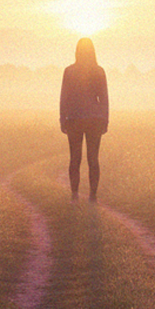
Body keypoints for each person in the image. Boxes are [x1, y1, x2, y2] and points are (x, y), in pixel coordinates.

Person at [60, 37, 108, 202]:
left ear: (77, 51)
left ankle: (74, 195)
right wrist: (105, 119)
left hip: (74, 119)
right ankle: (92, 196)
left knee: (75, 158)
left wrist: (62, 119)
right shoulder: (99, 71)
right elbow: (104, 98)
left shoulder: (69, 71)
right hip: (95, 119)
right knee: (93, 159)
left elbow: (64, 97)